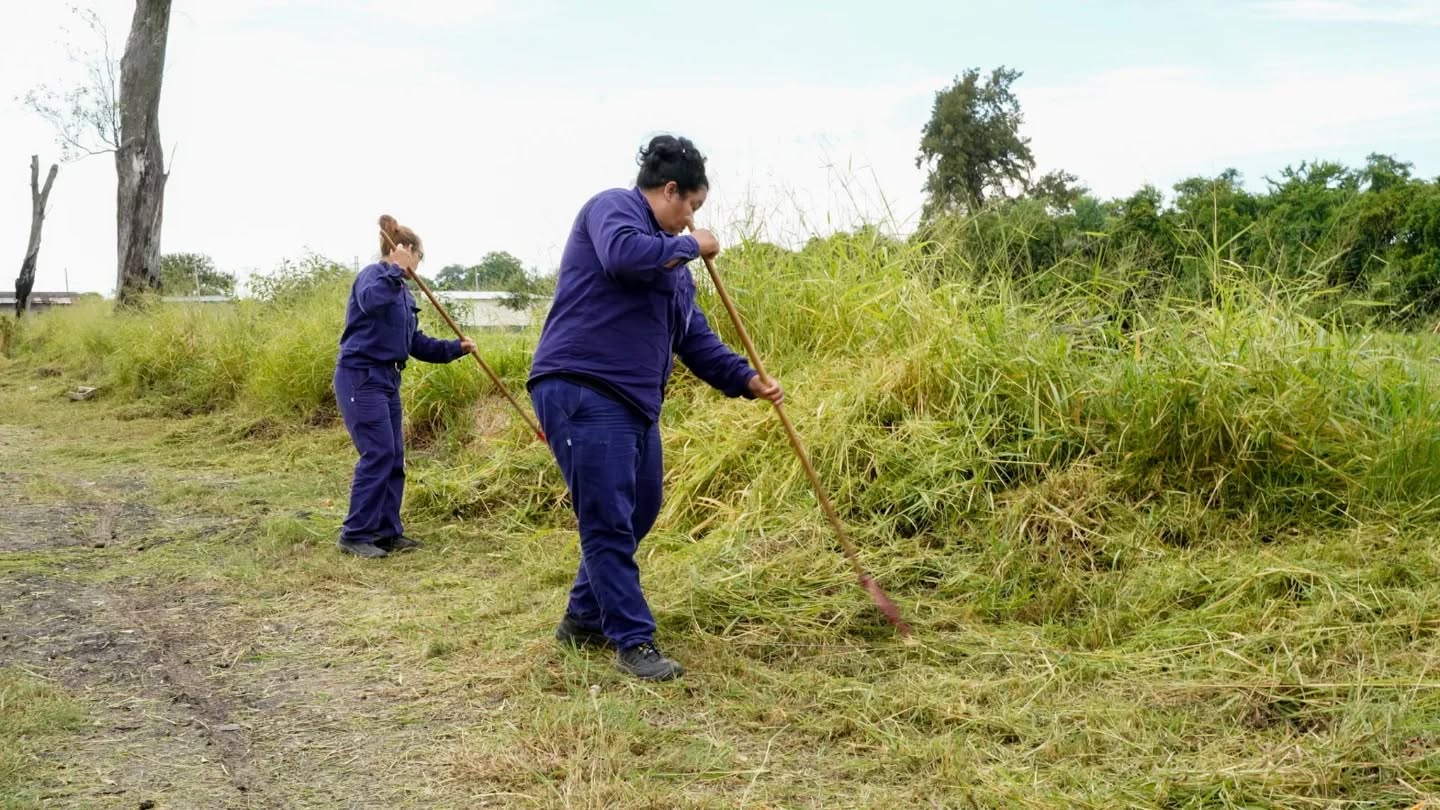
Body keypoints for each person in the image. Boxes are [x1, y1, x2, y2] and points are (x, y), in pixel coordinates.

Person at [528, 135, 784, 681]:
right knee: (608, 519)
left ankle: (583, 617)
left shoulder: (672, 268)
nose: (693, 220)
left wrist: (747, 379)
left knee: (640, 507)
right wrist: (693, 246)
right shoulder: (614, 209)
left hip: (634, 402)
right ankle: (633, 640)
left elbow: (696, 340)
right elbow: (623, 258)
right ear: (670, 191)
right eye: (692, 206)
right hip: (582, 387)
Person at [333, 215, 476, 559]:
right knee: (378, 453)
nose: (418, 265)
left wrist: (455, 349)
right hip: (360, 376)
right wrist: (395, 269)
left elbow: (414, 343)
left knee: (394, 456)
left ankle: (386, 532)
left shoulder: (401, 292)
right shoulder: (374, 277)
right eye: (418, 257)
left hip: (388, 379)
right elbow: (370, 302)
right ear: (405, 250)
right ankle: (355, 534)